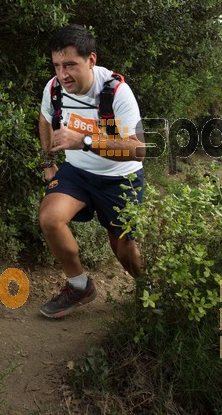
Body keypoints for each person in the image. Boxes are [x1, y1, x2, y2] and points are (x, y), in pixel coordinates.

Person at [38, 24, 145, 319]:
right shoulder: (54, 88)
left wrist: (84, 141)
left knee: (123, 250)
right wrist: (48, 162)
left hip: (120, 177)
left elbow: (139, 149)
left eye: (70, 64)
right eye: (58, 65)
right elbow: (45, 119)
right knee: (50, 218)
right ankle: (79, 285)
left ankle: (150, 293)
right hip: (78, 172)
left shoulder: (117, 92)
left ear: (91, 60)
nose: (63, 74)